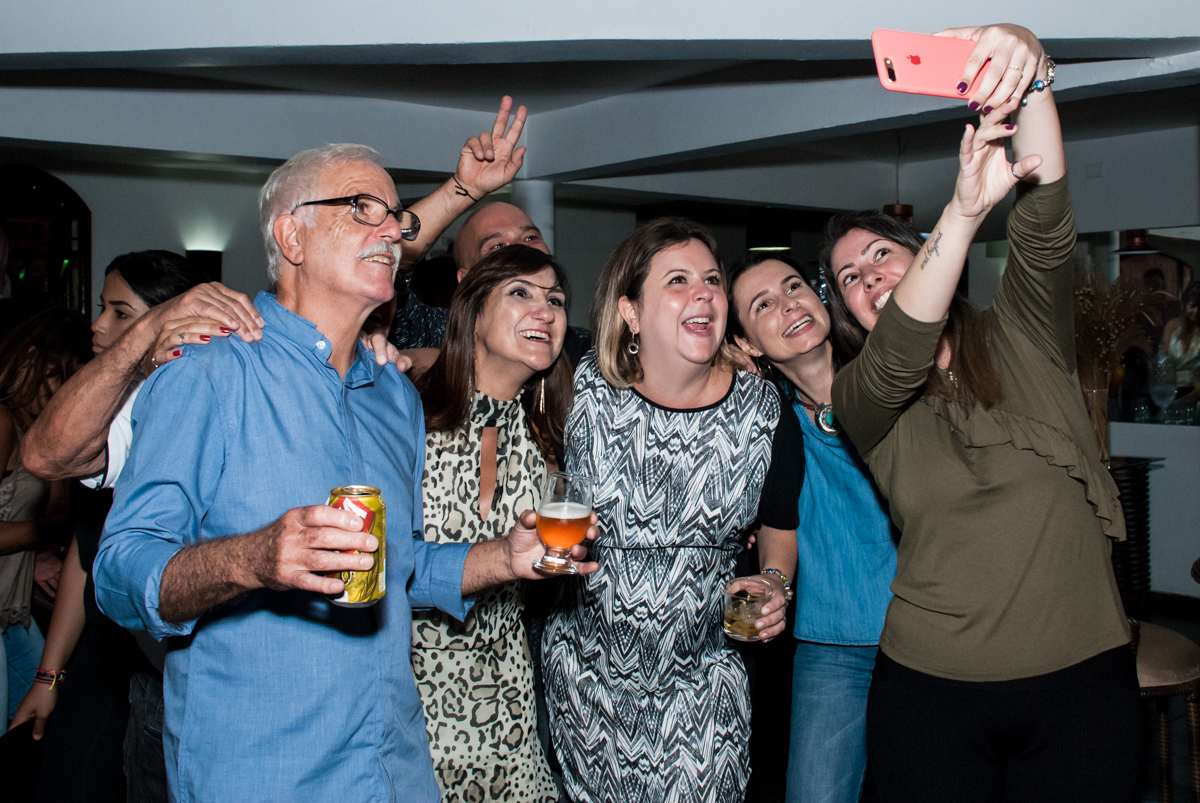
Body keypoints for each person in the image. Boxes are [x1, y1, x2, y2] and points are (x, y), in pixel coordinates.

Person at [92, 142, 597, 802]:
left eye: (394, 216)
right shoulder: (210, 371)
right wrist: (252, 558)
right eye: (362, 208)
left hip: (394, 770)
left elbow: (400, 566)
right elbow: (118, 572)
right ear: (291, 237)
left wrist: (505, 557)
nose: (392, 229)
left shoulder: (394, 395)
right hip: (266, 776)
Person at [826, 25, 1140, 802]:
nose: (869, 278)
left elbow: (1045, 214)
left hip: (1083, 680)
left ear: (917, 255)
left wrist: (1028, 69)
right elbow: (902, 348)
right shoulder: (861, 396)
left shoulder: (1021, 332)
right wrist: (962, 216)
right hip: (930, 693)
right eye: (849, 278)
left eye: (881, 255)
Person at [544, 217, 802, 803]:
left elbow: (779, 530)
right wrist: (386, 350)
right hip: (586, 681)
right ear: (631, 311)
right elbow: (481, 358)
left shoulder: (763, 410)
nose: (703, 293)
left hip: (703, 685)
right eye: (678, 280)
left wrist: (773, 581)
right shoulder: (580, 386)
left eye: (712, 279)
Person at [13, 250, 261, 803]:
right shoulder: (128, 397)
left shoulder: (200, 381)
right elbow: (76, 530)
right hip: (146, 661)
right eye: (104, 308)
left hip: (221, 675)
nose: (98, 325)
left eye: (121, 312)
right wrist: (49, 677)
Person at [727, 252, 896, 803]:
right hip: (832, 645)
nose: (788, 305)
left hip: (926, 634)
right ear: (747, 343)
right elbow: (764, 528)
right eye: (763, 305)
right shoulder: (762, 421)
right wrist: (770, 583)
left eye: (794, 286)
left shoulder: (895, 381)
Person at [410, 244, 573, 802]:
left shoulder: (551, 437)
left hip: (507, 700)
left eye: (556, 300)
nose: (545, 311)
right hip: (409, 696)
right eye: (521, 293)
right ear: (474, 311)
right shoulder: (408, 411)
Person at [0, 309, 90, 722]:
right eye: (61, 379)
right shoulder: (2, 421)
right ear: (31, 359)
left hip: (12, 613)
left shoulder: (30, 429)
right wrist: (46, 534)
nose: (64, 394)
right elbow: (57, 524)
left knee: (40, 719)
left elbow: (59, 512)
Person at [1162, 279, 1200, 377]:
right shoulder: (1171, 325)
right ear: (1184, 304)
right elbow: (1163, 359)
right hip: (1172, 382)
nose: (1196, 311)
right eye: (1193, 306)